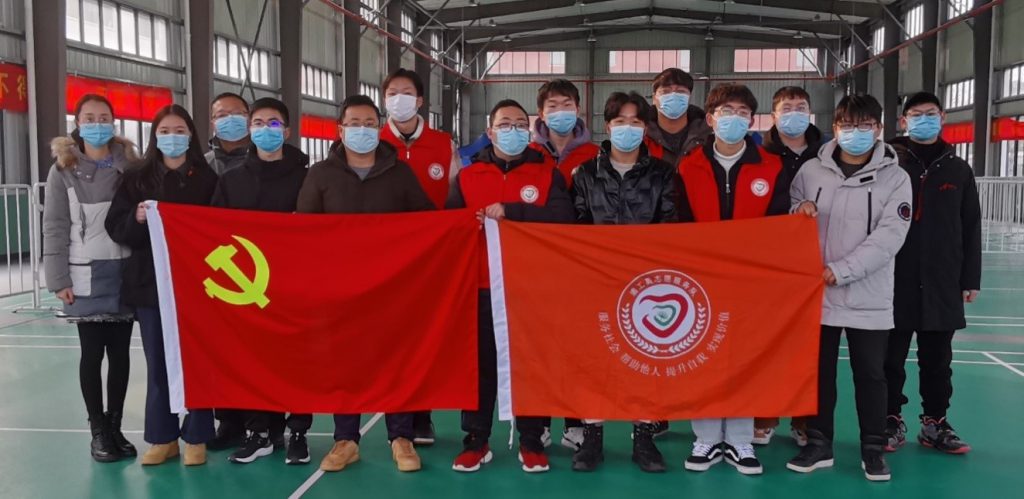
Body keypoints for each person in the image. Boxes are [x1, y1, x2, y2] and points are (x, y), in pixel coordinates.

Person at [297, 95, 433, 473]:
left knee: (396, 361)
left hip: (392, 289)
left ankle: (401, 437)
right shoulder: (320, 175)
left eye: (369, 124)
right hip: (339, 290)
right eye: (354, 124)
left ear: (379, 128)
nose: (362, 130)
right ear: (340, 130)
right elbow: (302, 230)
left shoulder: (400, 173)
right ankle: (346, 439)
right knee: (346, 364)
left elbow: (427, 222)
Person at [787, 94, 912, 482]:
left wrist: (841, 271)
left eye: (864, 125)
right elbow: (792, 213)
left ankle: (873, 448)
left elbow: (890, 237)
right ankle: (818, 442)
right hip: (816, 293)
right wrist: (799, 211)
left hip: (867, 294)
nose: (855, 133)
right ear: (835, 128)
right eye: (847, 125)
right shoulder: (811, 170)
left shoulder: (896, 178)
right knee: (818, 372)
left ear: (878, 129)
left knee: (871, 374)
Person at [448, 99, 575, 474]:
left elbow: (564, 218)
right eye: (505, 124)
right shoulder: (468, 177)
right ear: (490, 132)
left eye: (520, 124)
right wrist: (467, 224)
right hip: (482, 286)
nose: (513, 130)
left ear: (530, 130)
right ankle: (476, 440)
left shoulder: (547, 173)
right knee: (481, 367)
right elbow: (448, 227)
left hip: (532, 287)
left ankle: (532, 441)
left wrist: (513, 210)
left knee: (532, 365)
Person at [677, 83, 791, 476]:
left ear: (752, 121)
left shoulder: (772, 167)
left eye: (743, 113)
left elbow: (779, 225)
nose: (734, 119)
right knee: (704, 360)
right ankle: (707, 438)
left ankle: (741, 439)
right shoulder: (689, 166)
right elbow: (679, 224)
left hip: (752, 283)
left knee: (746, 361)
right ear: (711, 119)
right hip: (702, 282)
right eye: (726, 112)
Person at [569, 91, 680, 473]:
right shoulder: (584, 174)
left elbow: (671, 226)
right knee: (592, 361)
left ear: (646, 128)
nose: (627, 128)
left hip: (646, 284)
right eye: (620, 121)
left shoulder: (663, 174)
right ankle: (592, 437)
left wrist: (644, 264)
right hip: (594, 280)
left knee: (646, 360)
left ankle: (644, 437)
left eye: (635, 122)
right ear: (607, 126)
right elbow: (575, 226)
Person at [105, 104, 219, 466]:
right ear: (155, 136)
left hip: (196, 287)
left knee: (195, 361)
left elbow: (218, 230)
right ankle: (162, 437)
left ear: (191, 135)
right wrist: (138, 218)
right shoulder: (136, 178)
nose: (172, 137)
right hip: (149, 285)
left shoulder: (207, 179)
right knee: (158, 363)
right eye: (165, 131)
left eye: (179, 130)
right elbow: (116, 227)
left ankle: (197, 436)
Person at [208, 97, 314, 465]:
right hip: (249, 285)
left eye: (274, 123)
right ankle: (260, 432)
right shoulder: (231, 179)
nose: (266, 129)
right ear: (249, 129)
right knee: (254, 359)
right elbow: (214, 230)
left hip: (296, 283)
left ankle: (297, 431)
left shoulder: (307, 177)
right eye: (258, 123)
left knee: (296, 361)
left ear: (287, 131)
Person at [884, 91, 981, 455]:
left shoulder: (958, 169)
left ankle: (935, 423)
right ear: (903, 121)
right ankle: (890, 419)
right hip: (894, 277)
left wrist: (970, 278)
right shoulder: (889, 163)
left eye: (930, 113)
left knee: (938, 361)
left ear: (942, 117)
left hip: (943, 280)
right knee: (889, 358)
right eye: (915, 114)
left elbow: (970, 226)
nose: (923, 120)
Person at [43, 94, 136, 463]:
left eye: (104, 117)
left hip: (124, 272)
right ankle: (98, 430)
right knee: (92, 354)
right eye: (90, 118)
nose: (97, 124)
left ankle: (115, 427)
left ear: (113, 122)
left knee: (121, 355)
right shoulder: (62, 170)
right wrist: (59, 278)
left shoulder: (130, 166)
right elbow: (54, 225)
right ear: (78, 124)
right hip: (85, 276)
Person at [379, 68, 462, 445]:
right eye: (392, 92)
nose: (399, 98)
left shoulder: (443, 144)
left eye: (406, 92)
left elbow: (455, 196)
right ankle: (397, 416)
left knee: (426, 336)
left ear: (420, 100)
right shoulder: (374, 141)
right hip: (385, 257)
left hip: (431, 257)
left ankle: (422, 416)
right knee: (391, 338)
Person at [754, 85, 825, 447]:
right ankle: (765, 416)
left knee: (808, 347)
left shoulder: (827, 154)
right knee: (767, 345)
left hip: (814, 264)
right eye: (787, 107)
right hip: (769, 265)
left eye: (800, 107)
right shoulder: (759, 154)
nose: (794, 113)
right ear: (774, 115)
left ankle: (803, 421)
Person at [529, 79, 601, 190]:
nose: (560, 111)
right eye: (552, 106)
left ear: (577, 111)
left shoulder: (595, 155)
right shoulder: (528, 154)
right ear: (541, 114)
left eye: (567, 104)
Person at [644, 68, 713, 167]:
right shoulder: (641, 135)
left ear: (689, 97)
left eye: (680, 91)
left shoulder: (708, 135)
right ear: (654, 98)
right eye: (666, 91)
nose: (673, 96)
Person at [205, 92, 252, 175]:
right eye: (221, 115)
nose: (231, 119)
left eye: (237, 113)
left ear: (250, 118)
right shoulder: (205, 164)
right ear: (213, 124)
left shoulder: (266, 157)